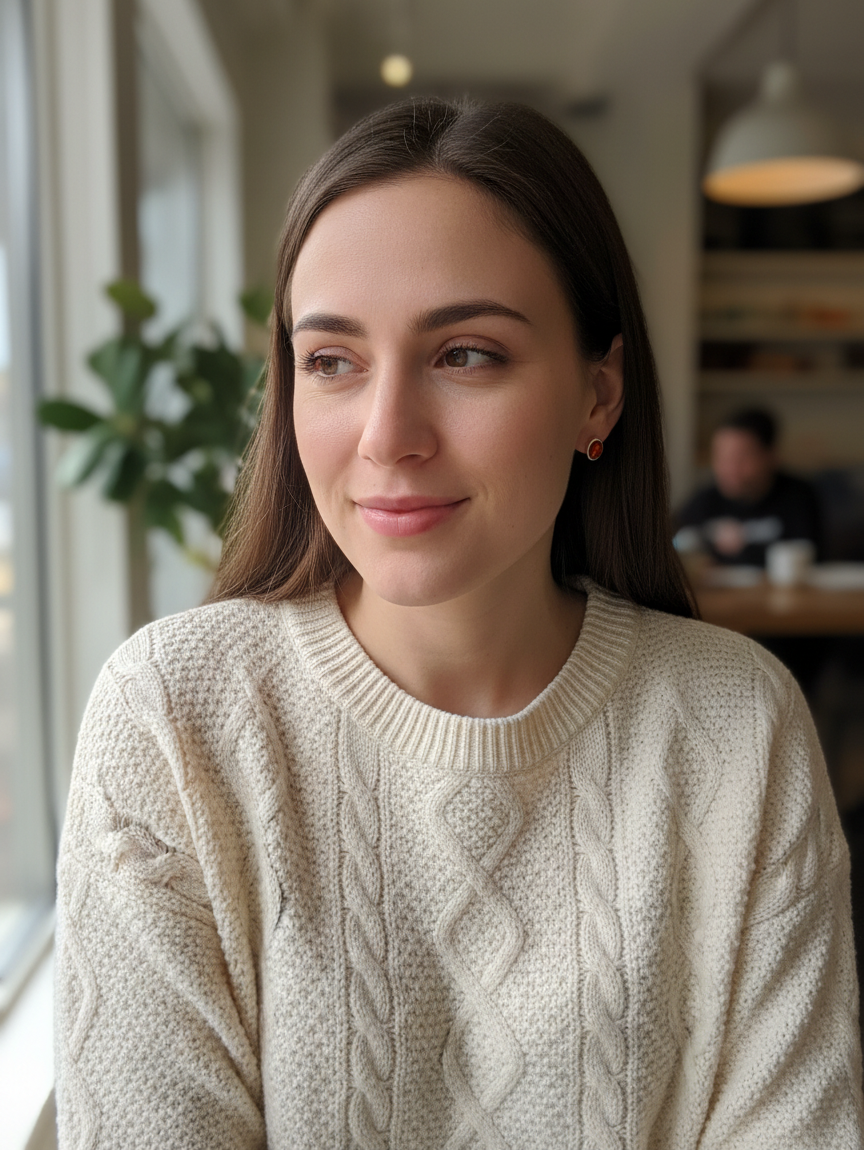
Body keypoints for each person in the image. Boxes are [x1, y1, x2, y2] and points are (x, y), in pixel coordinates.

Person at [54, 99, 862, 1149]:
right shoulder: (172, 717)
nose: (387, 436)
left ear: (598, 396)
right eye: (332, 360)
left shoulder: (736, 722)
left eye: (467, 354)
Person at [675, 407, 822, 567]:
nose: (730, 469)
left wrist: (744, 550)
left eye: (741, 457)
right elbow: (676, 547)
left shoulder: (799, 497)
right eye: (721, 457)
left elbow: (813, 557)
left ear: (771, 456)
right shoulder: (704, 501)